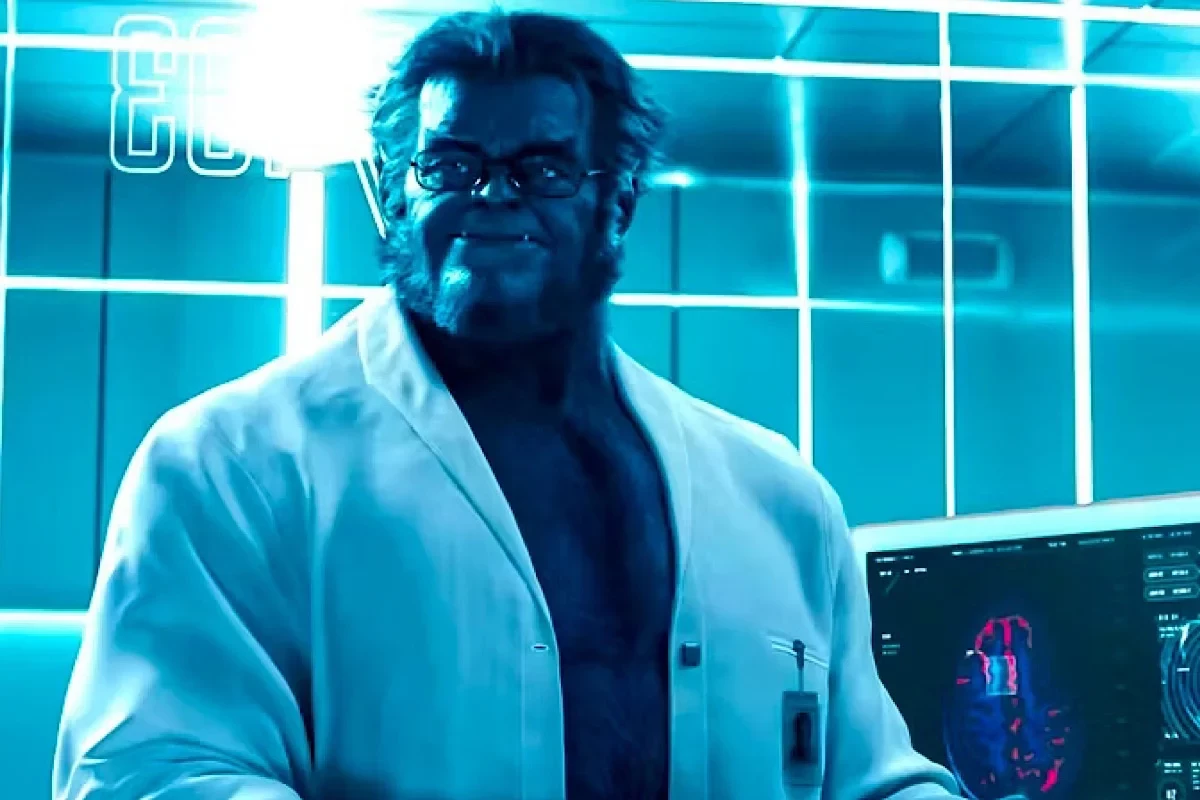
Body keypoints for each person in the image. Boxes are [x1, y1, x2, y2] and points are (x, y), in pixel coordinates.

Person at [54, 10, 963, 800]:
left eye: (543, 169)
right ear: (397, 196)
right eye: (448, 164)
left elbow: (871, 778)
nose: (490, 195)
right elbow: (150, 772)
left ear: (619, 203)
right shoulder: (230, 465)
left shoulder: (781, 501)